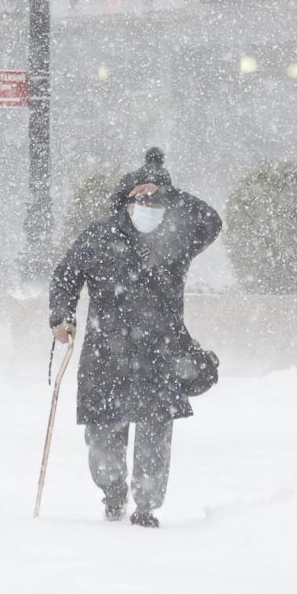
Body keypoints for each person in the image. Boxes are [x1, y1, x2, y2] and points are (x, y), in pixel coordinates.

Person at [49, 147, 221, 529]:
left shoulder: (177, 238)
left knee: (155, 437)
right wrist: (62, 316)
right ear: (124, 201)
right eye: (141, 199)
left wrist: (169, 192)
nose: (149, 206)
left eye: (156, 200)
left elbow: (211, 221)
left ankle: (146, 506)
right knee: (102, 438)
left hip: (161, 353)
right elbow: (66, 275)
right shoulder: (99, 235)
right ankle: (112, 492)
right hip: (104, 353)